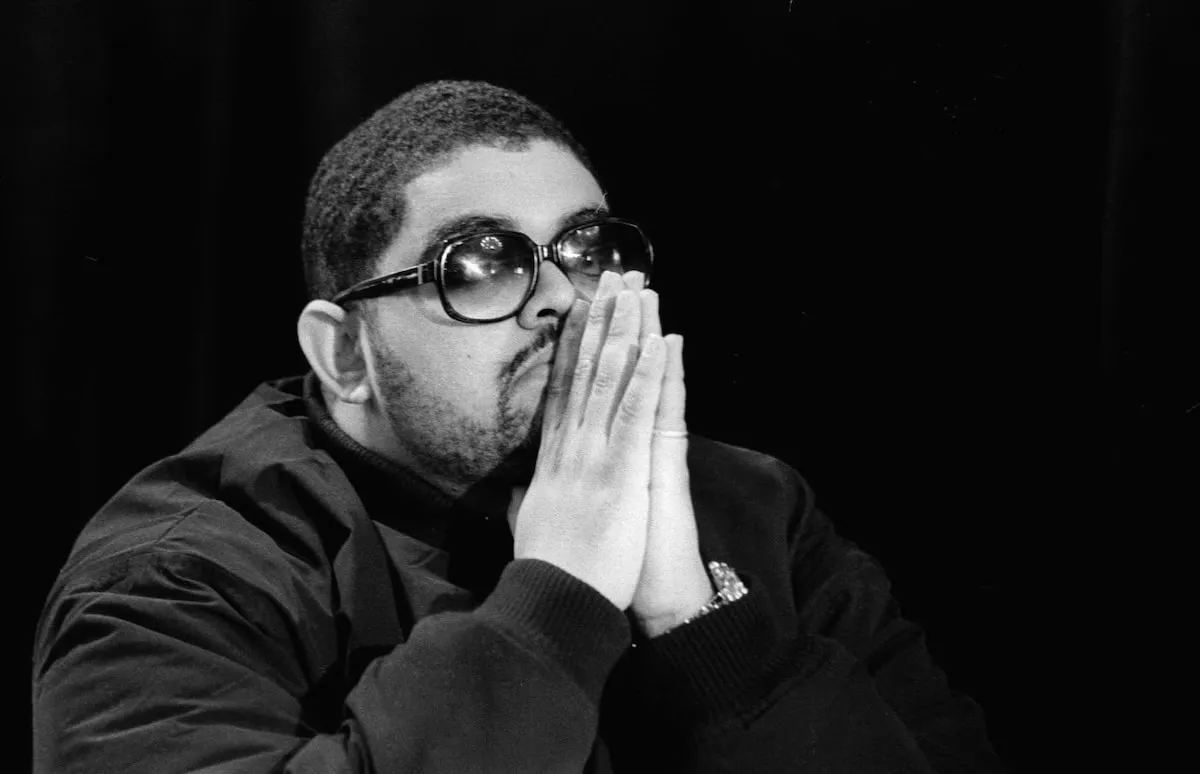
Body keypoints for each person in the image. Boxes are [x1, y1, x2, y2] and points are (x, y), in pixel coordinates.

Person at [31, 80, 1008, 773]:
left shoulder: (757, 508)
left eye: (587, 252)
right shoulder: (182, 568)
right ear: (344, 354)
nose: (562, 300)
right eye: (483, 264)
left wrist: (701, 623)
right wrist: (561, 591)